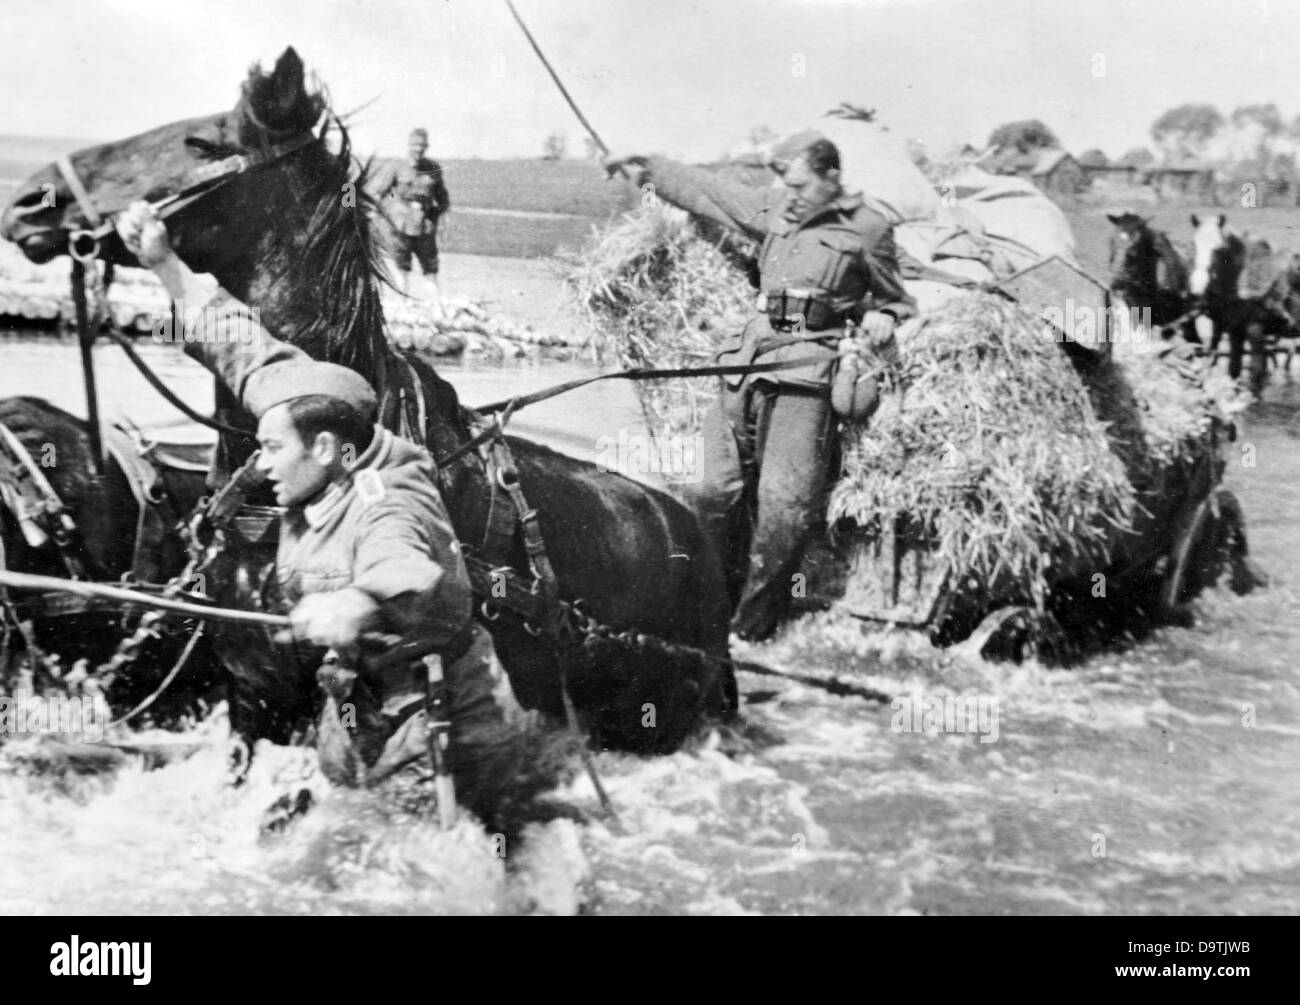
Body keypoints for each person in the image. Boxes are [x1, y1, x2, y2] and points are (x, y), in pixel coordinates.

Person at [115, 200, 512, 795]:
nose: (260, 464)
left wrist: (360, 598)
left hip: (442, 725)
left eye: (273, 449)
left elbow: (405, 562)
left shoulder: (388, 491)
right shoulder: (302, 422)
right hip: (355, 707)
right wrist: (163, 261)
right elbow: (241, 345)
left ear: (325, 448)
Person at [606, 131, 917, 641]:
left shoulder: (866, 229)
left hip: (805, 378)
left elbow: (897, 299)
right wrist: (646, 165)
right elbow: (708, 192)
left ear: (831, 178)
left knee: (784, 509)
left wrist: (884, 316)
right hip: (743, 366)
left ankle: (750, 628)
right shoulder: (775, 210)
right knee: (705, 489)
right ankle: (703, 607)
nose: (789, 194)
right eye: (784, 184)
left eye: (799, 185)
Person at [369, 127, 450, 314]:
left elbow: (443, 199)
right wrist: (378, 213)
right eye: (415, 145)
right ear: (409, 146)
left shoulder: (433, 169)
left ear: (426, 147)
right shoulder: (397, 167)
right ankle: (402, 307)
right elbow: (379, 192)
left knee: (430, 268)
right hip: (400, 225)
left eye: (422, 145)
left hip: (424, 226)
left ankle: (438, 309)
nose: (418, 149)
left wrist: (432, 215)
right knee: (401, 266)